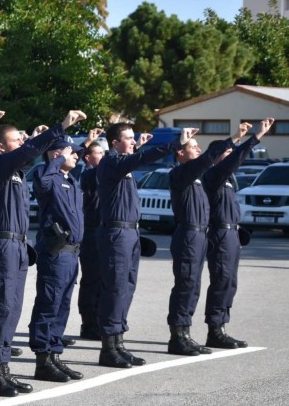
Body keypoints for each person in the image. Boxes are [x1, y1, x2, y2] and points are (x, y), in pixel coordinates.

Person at [0, 111, 86, 398]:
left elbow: (30, 153)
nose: (22, 142)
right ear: (1, 147)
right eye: (17, 139)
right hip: (2, 244)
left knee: (12, 309)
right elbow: (32, 152)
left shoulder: (14, 172)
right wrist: (61, 127)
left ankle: (3, 370)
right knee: (1, 308)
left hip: (17, 245)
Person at [95, 123, 192, 369]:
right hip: (116, 232)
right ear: (115, 143)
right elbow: (141, 158)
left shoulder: (124, 164)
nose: (133, 141)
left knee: (127, 287)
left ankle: (118, 343)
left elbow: (137, 157)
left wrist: (139, 147)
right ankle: (108, 348)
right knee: (115, 288)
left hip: (130, 233)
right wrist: (175, 144)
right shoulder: (111, 163)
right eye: (128, 138)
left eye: (133, 138)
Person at [27, 134, 98, 383]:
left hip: (72, 253)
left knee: (62, 306)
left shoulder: (71, 179)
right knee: (49, 304)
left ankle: (55, 354)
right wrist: (56, 162)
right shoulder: (44, 175)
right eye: (72, 152)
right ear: (57, 154)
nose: (77, 155)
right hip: (55, 252)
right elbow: (43, 180)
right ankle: (42, 359)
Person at [202, 118, 273, 350]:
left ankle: (222, 325)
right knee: (221, 280)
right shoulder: (213, 175)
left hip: (232, 234)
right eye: (227, 151)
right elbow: (232, 161)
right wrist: (254, 138)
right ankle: (215, 330)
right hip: (219, 235)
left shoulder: (229, 180)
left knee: (230, 282)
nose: (230, 154)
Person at [166, 128, 235, 356]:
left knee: (193, 286)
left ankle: (186, 334)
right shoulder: (180, 174)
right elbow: (206, 160)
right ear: (180, 153)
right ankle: (178, 336)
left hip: (200, 235)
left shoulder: (197, 179)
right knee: (186, 284)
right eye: (192, 146)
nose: (197, 148)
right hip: (187, 234)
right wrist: (234, 138)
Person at [77, 140, 105, 340]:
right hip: (90, 231)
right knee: (91, 279)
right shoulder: (87, 175)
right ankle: (89, 322)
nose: (103, 158)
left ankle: (99, 319)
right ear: (88, 157)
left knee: (103, 279)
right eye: (100, 154)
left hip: (103, 231)